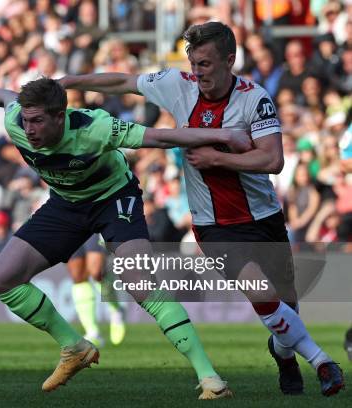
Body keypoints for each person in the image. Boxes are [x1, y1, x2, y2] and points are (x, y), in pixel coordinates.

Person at [59, 21, 345, 397]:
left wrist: (216, 159)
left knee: (284, 310)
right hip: (215, 226)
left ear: (230, 60)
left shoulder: (254, 97)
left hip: (264, 218)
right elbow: (122, 83)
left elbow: (273, 159)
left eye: (206, 64)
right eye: (193, 64)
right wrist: (67, 83)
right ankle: (324, 362)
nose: (197, 73)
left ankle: (286, 358)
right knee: (260, 292)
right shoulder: (178, 85)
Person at [0, 78, 252, 398]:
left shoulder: (96, 128)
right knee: (1, 278)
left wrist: (224, 134)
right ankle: (74, 347)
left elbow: (161, 138)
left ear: (60, 116)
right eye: (26, 120)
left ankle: (210, 379)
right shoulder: (17, 121)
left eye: (38, 121)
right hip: (66, 204)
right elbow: (6, 96)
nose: (30, 129)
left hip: (114, 198)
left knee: (138, 280)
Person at [68, 233, 126, 347]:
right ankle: (93, 332)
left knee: (96, 272)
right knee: (77, 276)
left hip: (95, 224)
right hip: (69, 224)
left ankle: (115, 310)